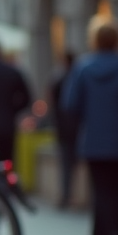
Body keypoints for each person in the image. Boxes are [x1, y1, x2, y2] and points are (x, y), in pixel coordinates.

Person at [61, 18, 118, 235]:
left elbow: (70, 104)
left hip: (94, 142)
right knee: (117, 191)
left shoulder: (83, 69)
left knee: (101, 193)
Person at [50, 51, 78, 209]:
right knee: (71, 165)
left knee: (66, 165)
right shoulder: (75, 78)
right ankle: (69, 196)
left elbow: (54, 104)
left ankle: (65, 196)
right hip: (77, 129)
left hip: (64, 130)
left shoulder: (60, 80)